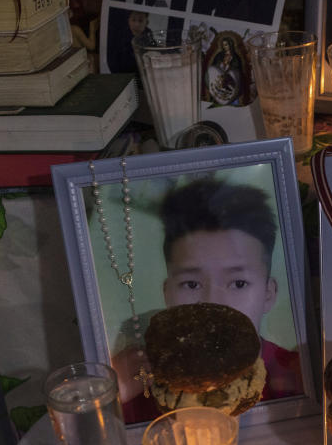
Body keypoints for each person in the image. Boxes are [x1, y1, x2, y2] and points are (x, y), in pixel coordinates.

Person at [116, 179, 303, 422]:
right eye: (192, 284)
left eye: (238, 284)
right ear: (167, 294)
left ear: (268, 293)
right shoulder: (136, 381)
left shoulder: (299, 377)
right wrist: (107, 398)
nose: (213, 304)